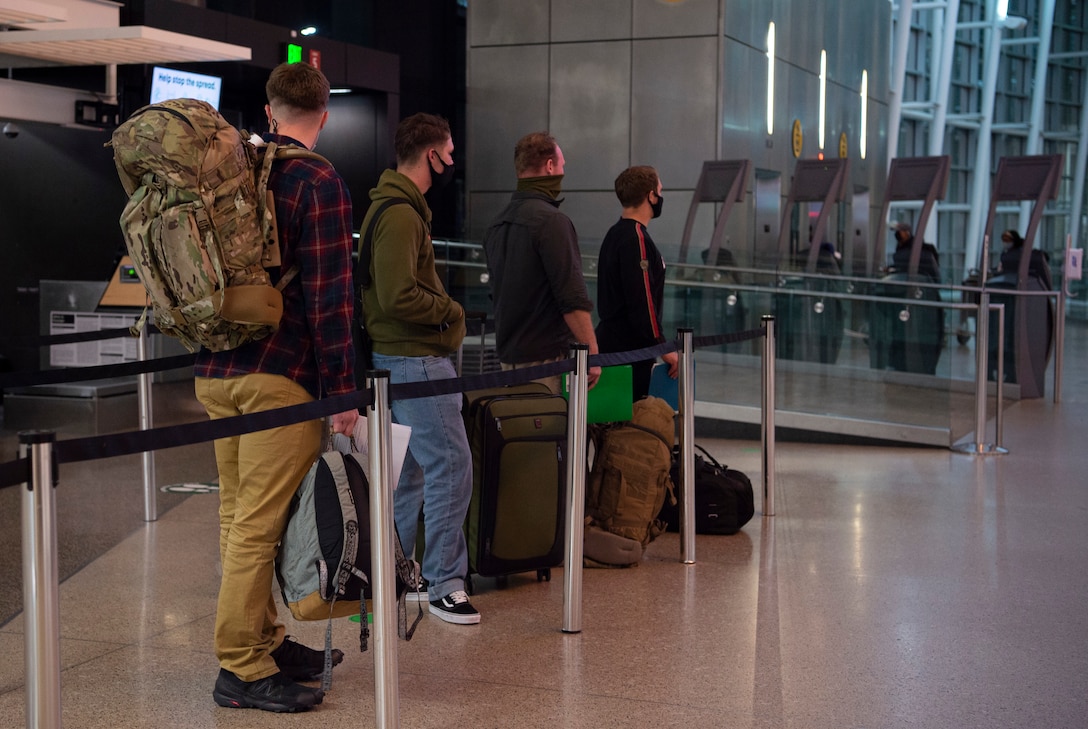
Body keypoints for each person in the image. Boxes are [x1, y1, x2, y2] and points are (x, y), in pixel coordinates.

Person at [194, 62, 359, 713]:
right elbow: (329, 295)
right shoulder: (316, 177)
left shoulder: (230, 172)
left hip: (216, 374)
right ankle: (240, 666)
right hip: (280, 377)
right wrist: (342, 391)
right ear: (323, 114)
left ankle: (263, 638)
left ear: (267, 112)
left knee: (238, 517)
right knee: (259, 524)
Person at [358, 113, 479, 625]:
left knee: (408, 474)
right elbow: (396, 294)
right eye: (448, 152)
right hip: (416, 360)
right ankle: (444, 584)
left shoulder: (391, 208)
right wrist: (450, 312)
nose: (452, 161)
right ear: (431, 155)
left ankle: (396, 576)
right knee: (452, 468)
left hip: (399, 360)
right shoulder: (402, 215)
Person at [482, 132, 601, 393]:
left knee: (518, 433)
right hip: (547, 363)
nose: (562, 172)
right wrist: (592, 355)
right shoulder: (552, 222)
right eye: (561, 166)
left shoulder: (496, 225)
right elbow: (572, 298)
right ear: (549, 166)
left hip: (507, 359)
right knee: (549, 432)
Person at [594, 165, 678, 401]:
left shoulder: (615, 233)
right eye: (659, 191)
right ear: (651, 195)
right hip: (630, 351)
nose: (661, 197)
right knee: (630, 428)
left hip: (612, 344)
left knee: (611, 425)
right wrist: (662, 346)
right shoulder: (636, 238)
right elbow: (642, 301)